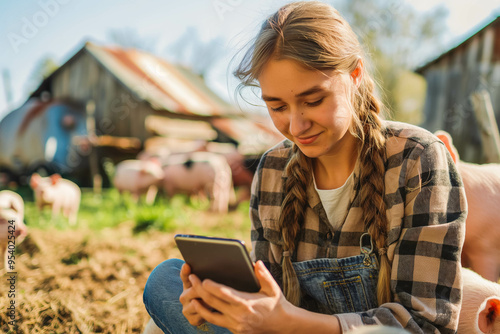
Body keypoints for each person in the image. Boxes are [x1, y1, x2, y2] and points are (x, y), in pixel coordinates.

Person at [143, 1, 467, 333]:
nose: (296, 127)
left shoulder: (418, 159)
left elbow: (427, 325)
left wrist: (288, 321)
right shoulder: (272, 170)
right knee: (166, 281)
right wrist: (221, 306)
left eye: (313, 101)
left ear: (355, 75)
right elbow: (267, 300)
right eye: (277, 106)